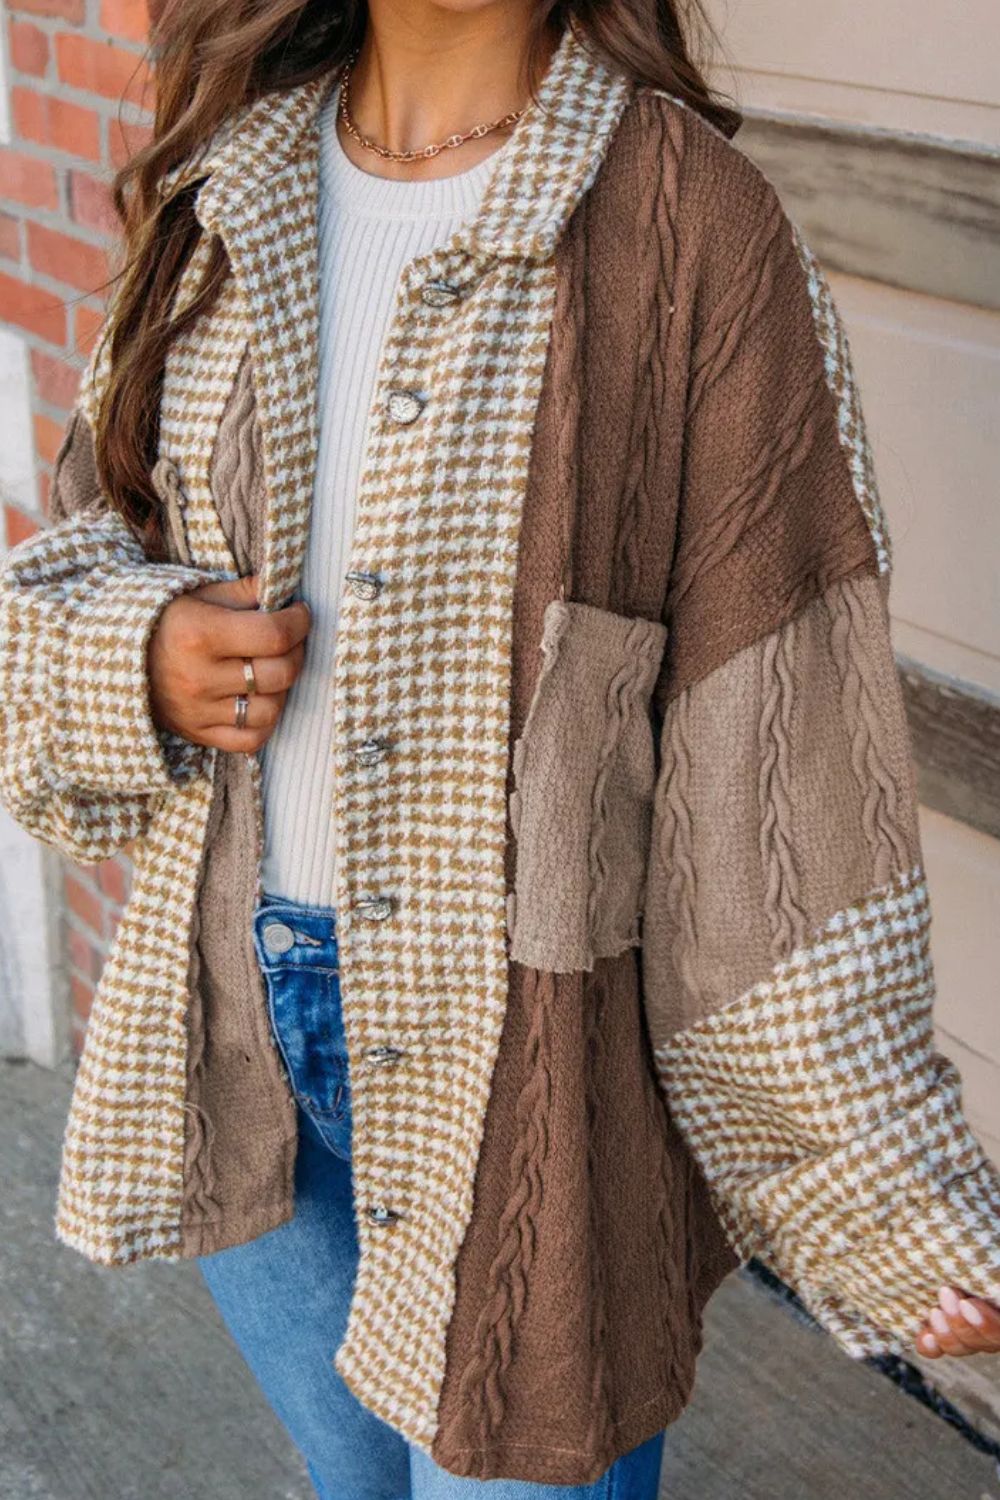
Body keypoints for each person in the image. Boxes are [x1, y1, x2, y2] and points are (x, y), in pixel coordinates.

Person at [2, 1, 999, 1496]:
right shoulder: (229, 182)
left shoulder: (690, 228)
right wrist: (141, 651)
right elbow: (85, 541)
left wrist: (879, 1196)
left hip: (525, 1073)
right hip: (240, 1021)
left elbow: (774, 776)